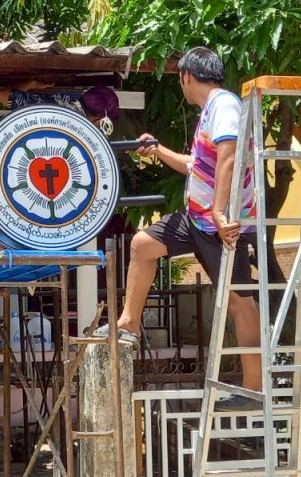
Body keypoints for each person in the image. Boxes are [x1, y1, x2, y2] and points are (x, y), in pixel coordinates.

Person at [93, 46, 262, 411]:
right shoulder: (210, 111)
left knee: (240, 303)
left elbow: (230, 157)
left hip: (220, 225)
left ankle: (254, 389)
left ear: (187, 76)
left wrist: (219, 212)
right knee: (142, 245)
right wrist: (158, 150)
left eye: (179, 79)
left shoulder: (225, 105)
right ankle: (128, 324)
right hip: (196, 218)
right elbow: (197, 165)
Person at [0, 84, 121, 253]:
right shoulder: (89, 136)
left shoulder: (49, 104)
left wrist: (31, 83)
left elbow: (2, 94)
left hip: (16, 170)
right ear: (101, 119)